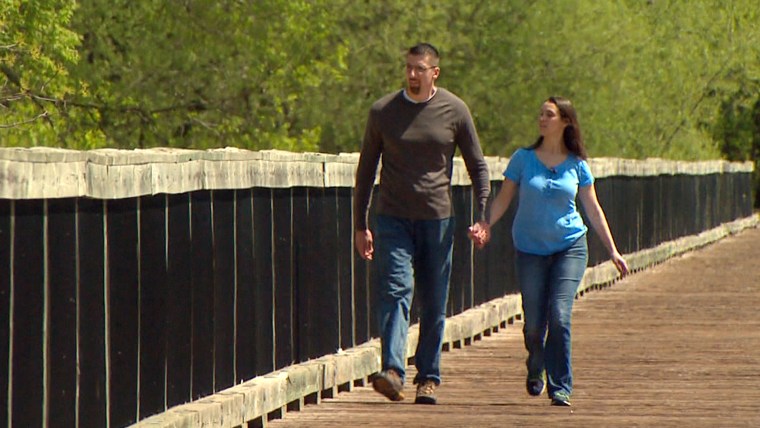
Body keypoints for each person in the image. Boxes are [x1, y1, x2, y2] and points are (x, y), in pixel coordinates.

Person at [468, 96, 629, 407]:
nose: (542, 119)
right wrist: (485, 224)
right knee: (532, 324)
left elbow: (593, 209)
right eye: (540, 114)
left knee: (559, 315)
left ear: (565, 122)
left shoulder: (577, 165)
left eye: (549, 114)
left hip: (569, 246)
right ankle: (536, 362)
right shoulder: (523, 159)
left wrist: (613, 250)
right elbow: (503, 199)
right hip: (529, 250)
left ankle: (561, 386)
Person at [353, 42, 491, 405]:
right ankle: (395, 370)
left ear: (435, 73)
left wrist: (483, 215)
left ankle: (428, 377)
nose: (413, 75)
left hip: (438, 219)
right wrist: (360, 224)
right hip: (392, 217)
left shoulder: (454, 110)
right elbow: (366, 170)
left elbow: (477, 165)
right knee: (396, 291)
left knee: (433, 300)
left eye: (420, 69)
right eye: (409, 68)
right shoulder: (383, 111)